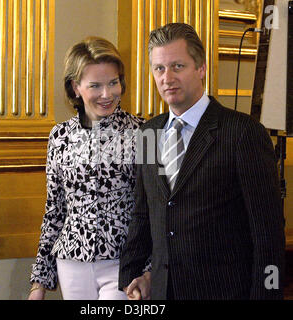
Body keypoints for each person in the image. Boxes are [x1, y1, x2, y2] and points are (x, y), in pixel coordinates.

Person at [118, 23, 286, 300]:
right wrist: (131, 273)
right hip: (162, 291)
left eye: (178, 66)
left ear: (201, 69)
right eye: (159, 68)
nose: (167, 77)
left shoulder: (242, 132)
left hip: (224, 291)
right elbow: (143, 213)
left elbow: (267, 232)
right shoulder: (148, 133)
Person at [28, 36, 144, 300]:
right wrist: (39, 283)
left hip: (123, 265)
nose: (107, 94)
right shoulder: (59, 137)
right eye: (95, 86)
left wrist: (147, 271)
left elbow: (154, 209)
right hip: (71, 262)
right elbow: (54, 210)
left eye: (113, 82)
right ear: (75, 87)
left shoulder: (142, 132)